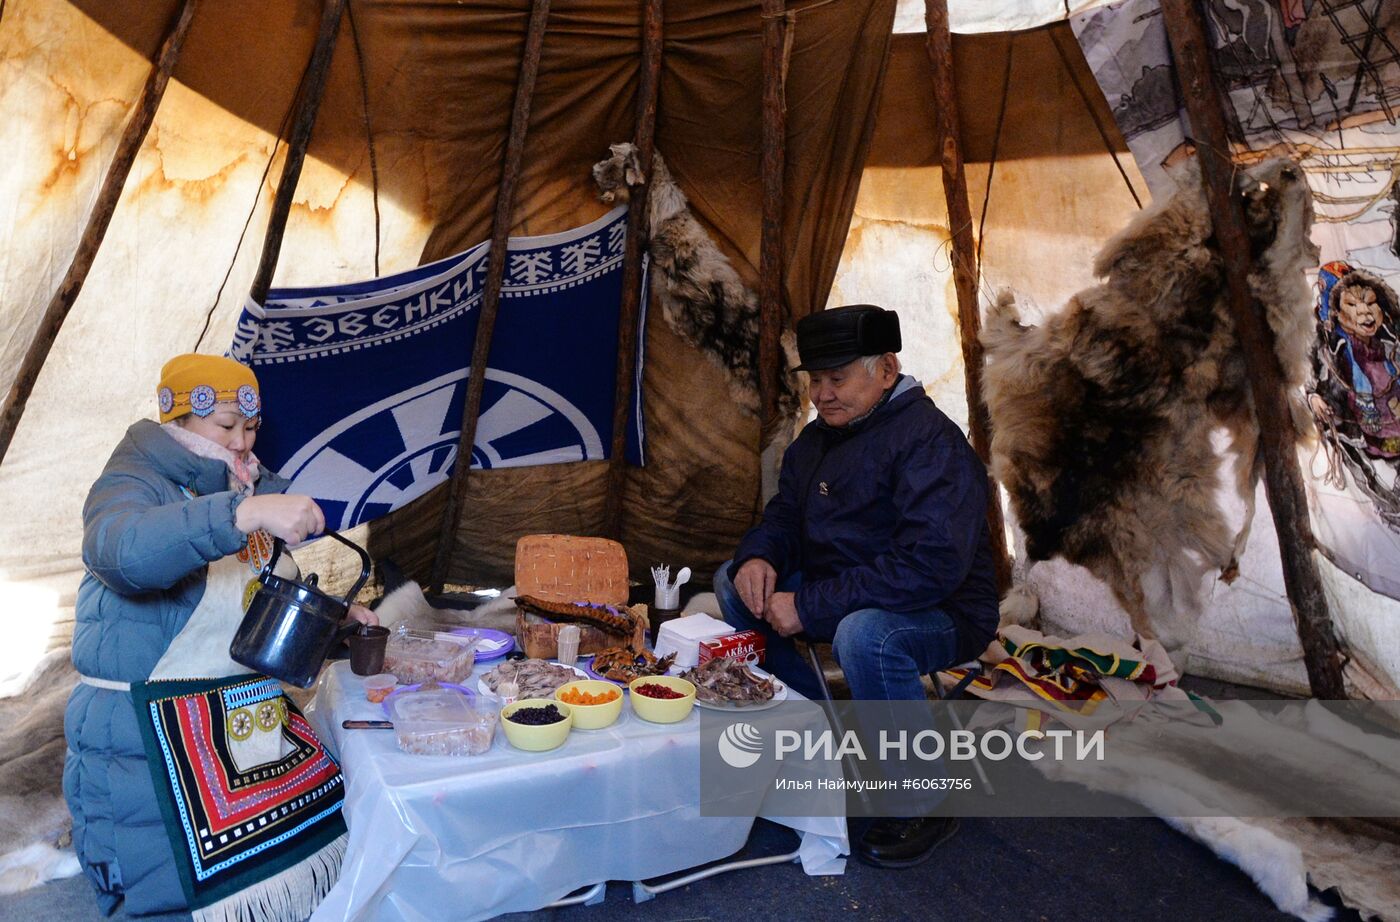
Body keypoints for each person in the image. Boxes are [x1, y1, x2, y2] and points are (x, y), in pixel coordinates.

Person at [64, 354, 375, 919]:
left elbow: (251, 605)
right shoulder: (133, 480)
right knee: (176, 891)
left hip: (237, 718)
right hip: (146, 731)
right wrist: (243, 512)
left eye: (250, 426)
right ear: (177, 421)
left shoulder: (243, 489)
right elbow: (122, 551)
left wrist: (335, 620)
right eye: (225, 425)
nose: (241, 440)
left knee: (313, 845)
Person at [714, 304, 998, 868]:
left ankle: (925, 801)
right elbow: (785, 515)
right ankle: (826, 730)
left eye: (837, 378)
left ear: (886, 371)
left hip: (940, 609)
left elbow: (928, 567)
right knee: (732, 585)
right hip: (845, 585)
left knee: (868, 637)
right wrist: (760, 556)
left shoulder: (930, 443)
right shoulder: (817, 439)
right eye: (815, 380)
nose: (822, 394)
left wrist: (811, 604)